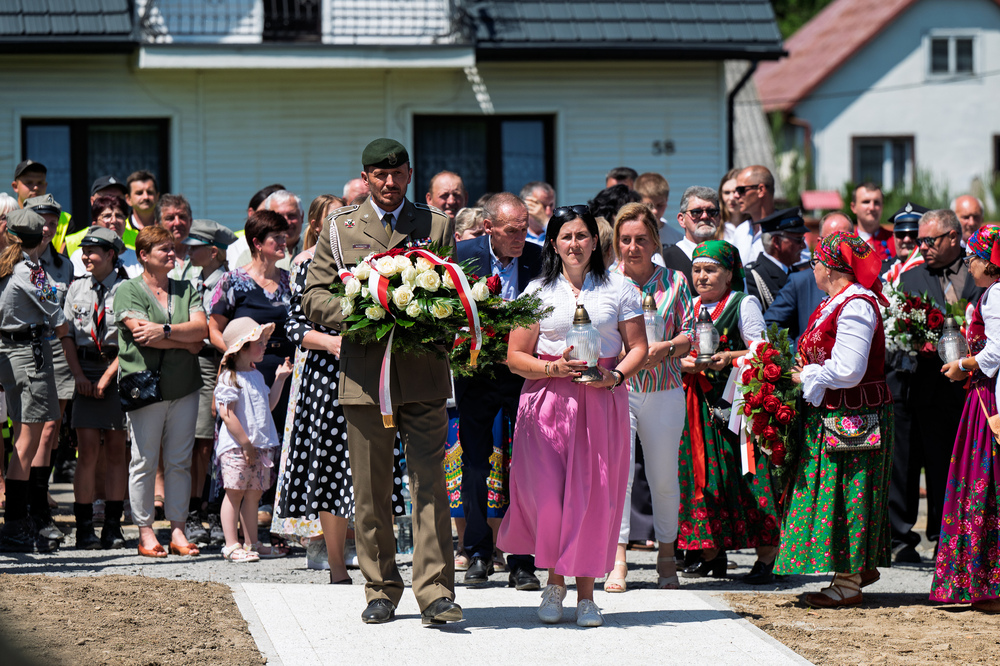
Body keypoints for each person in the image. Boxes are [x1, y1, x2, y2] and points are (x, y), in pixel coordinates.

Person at [301, 138, 461, 626]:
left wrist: (424, 309)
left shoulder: (436, 225)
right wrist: (366, 309)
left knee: (430, 484)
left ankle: (435, 592)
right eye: (379, 175)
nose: (389, 183)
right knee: (369, 489)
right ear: (366, 177)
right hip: (367, 375)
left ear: (410, 175)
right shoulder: (339, 227)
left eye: (397, 174)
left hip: (423, 374)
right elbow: (314, 297)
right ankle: (380, 589)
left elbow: (454, 294)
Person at [498, 204, 647, 628]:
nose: (575, 243)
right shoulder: (536, 292)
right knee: (548, 497)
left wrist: (614, 376)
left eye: (581, 235)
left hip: (601, 401)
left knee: (593, 496)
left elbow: (638, 347)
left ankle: (586, 595)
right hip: (546, 403)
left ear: (594, 240)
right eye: (565, 236)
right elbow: (514, 357)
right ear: (553, 243)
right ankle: (553, 583)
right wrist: (551, 368)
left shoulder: (619, 288)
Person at [779, 231, 894, 608]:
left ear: (829, 267)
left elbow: (849, 369)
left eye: (815, 262)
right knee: (837, 490)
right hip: (837, 412)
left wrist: (806, 375)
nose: (813, 268)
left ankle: (849, 581)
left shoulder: (856, 304)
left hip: (855, 414)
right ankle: (848, 575)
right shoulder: (835, 302)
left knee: (849, 492)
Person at [676, 241, 780, 583]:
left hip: (736, 409)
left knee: (747, 476)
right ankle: (711, 551)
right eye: (697, 270)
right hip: (696, 408)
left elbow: (763, 351)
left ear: (729, 273)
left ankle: (767, 558)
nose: (702, 277)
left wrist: (730, 358)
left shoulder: (742, 303)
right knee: (703, 479)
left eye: (711, 270)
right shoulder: (687, 306)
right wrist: (683, 362)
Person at [454, 193, 543, 587]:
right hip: (476, 371)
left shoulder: (540, 259)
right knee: (474, 463)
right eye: (511, 231)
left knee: (523, 464)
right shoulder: (462, 255)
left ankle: (523, 558)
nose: (520, 238)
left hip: (523, 373)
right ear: (488, 227)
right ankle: (477, 552)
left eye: (524, 229)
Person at [605, 202, 694, 593]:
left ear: (655, 241)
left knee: (663, 478)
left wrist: (667, 348)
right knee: (618, 479)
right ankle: (618, 559)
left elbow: (692, 333)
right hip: (618, 391)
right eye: (625, 240)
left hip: (665, 389)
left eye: (641, 239)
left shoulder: (675, 281)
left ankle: (667, 558)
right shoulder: (606, 283)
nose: (632, 247)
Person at [888, 209, 984, 563]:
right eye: (919, 240)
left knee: (950, 464)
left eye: (929, 240)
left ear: (953, 237)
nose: (920, 246)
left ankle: (949, 538)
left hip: (966, 388)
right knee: (905, 464)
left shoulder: (979, 275)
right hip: (918, 382)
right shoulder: (911, 278)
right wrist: (915, 343)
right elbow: (898, 326)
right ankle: (900, 538)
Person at [114, 225, 207, 558]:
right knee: (144, 461)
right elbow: (140, 333)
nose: (172, 253)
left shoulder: (187, 289)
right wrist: (187, 341)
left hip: (184, 386)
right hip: (145, 387)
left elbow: (202, 330)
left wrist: (166, 330)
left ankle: (178, 529)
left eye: (173, 248)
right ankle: (145, 530)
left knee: (179, 461)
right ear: (143, 255)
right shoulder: (128, 290)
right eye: (163, 249)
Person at [932, 225, 1000, 612]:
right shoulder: (992, 293)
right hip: (984, 394)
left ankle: (990, 583)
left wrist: (961, 364)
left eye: (973, 258)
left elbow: (995, 352)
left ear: (988, 262)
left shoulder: (996, 295)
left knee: (984, 483)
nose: (970, 265)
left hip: (989, 399)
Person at [0, 208, 70, 552]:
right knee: (27, 439)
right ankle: (15, 522)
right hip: (29, 353)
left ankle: (18, 518)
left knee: (21, 436)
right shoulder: (31, 271)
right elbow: (57, 314)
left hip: (9, 351)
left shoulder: (4, 265)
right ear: (41, 237)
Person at [62, 227, 130, 550]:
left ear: (111, 255)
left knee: (117, 448)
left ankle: (113, 527)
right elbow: (66, 337)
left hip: (117, 371)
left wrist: (105, 379)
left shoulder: (128, 289)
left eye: (92, 251)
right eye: (84, 250)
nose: (85, 256)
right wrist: (79, 376)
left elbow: (130, 342)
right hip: (84, 370)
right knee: (87, 449)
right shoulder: (76, 289)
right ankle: (84, 527)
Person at [215, 318, 292, 562]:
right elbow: (226, 414)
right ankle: (230, 544)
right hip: (239, 448)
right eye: (259, 343)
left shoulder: (256, 376)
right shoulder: (230, 377)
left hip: (258, 446)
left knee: (253, 495)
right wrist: (246, 444)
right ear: (243, 347)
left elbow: (266, 408)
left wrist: (279, 380)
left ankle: (251, 543)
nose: (265, 346)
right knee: (234, 493)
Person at [209, 210, 293, 432]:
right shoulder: (231, 281)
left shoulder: (292, 281)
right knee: (246, 440)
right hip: (246, 371)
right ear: (257, 242)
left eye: (284, 236)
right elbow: (214, 330)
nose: (284, 242)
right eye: (277, 237)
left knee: (285, 442)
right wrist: (240, 355)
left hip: (286, 371)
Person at [181, 218, 238, 547]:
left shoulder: (229, 282)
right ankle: (195, 511)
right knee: (201, 440)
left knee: (223, 440)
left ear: (213, 252)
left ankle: (218, 510)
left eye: (195, 246)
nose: (188, 251)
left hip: (223, 361)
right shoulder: (189, 280)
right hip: (199, 362)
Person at [24, 194, 74, 545]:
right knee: (34, 427)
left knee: (53, 427)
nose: (47, 227)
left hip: (58, 346)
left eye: (53, 222)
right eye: (42, 220)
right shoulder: (17, 262)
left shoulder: (63, 264)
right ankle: (28, 507)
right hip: (25, 346)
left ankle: (39, 505)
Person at [765, 213, 854, 340]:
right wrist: (795, 351)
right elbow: (771, 324)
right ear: (820, 242)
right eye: (832, 240)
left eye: (845, 240)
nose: (838, 247)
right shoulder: (800, 282)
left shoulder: (868, 282)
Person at [744, 208, 809, 311]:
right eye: (798, 240)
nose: (804, 246)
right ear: (776, 241)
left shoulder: (796, 274)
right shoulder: (752, 277)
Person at [69, 196, 143, 278]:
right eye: (107, 216)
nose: (114, 220)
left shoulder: (138, 258)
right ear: (94, 224)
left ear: (125, 223)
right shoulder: (81, 257)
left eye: (119, 216)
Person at [663, 186, 721, 287]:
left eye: (712, 212)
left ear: (719, 218)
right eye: (696, 212)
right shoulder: (665, 259)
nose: (705, 216)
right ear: (682, 220)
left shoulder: (729, 254)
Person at [731, 165, 776, 265]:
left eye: (741, 190)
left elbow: (802, 275)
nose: (736, 195)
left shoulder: (786, 232)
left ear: (760, 190)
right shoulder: (740, 231)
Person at [633, 172, 683, 249]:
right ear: (637, 202)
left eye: (660, 205)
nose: (655, 211)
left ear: (666, 201)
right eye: (649, 206)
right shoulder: (628, 237)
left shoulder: (678, 240)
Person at [851, 183, 893, 262]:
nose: (872, 207)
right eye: (866, 202)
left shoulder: (896, 241)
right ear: (853, 207)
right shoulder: (846, 243)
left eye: (876, 202)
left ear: (882, 206)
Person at [124, 170, 160, 242]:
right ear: (128, 199)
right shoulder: (121, 229)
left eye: (149, 192)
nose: (145, 197)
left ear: (157, 197)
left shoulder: (167, 227)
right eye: (139, 193)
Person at [520, 181, 555, 246]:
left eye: (551, 205)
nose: (548, 212)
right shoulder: (517, 234)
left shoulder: (558, 231)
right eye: (542, 206)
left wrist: (545, 222)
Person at [718, 168, 744, 242]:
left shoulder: (755, 226)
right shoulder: (716, 227)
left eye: (736, 191)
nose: (731, 198)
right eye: (727, 192)